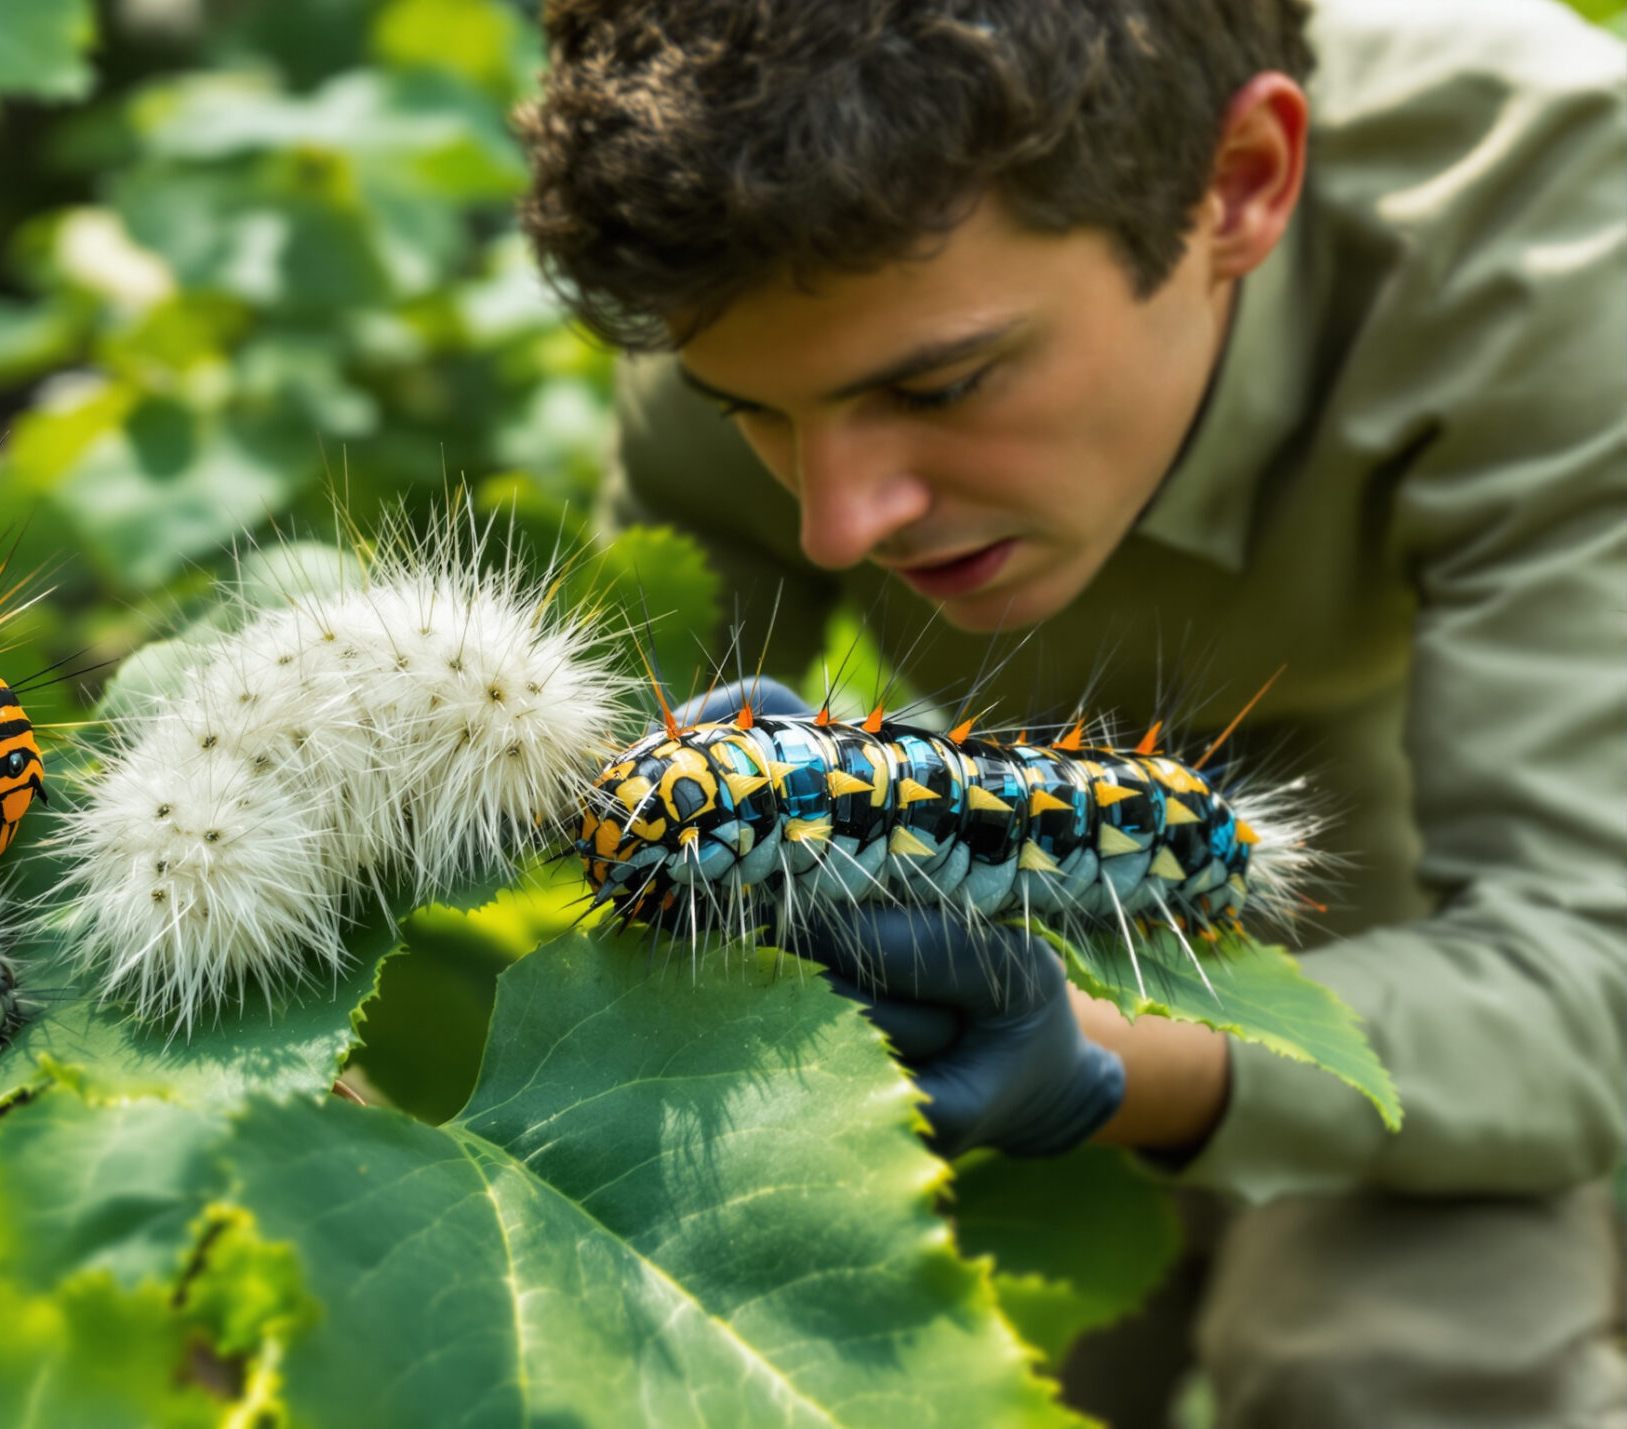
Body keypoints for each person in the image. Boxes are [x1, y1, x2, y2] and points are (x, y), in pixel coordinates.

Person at [516, 0, 1627, 1424]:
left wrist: (1114, 1058)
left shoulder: (1555, 223)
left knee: (1398, 1366)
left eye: (940, 386)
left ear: (1240, 186)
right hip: (984, 844)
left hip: (1410, 805)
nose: (838, 521)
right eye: (754, 416)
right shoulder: (740, 246)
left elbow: (1587, 969)